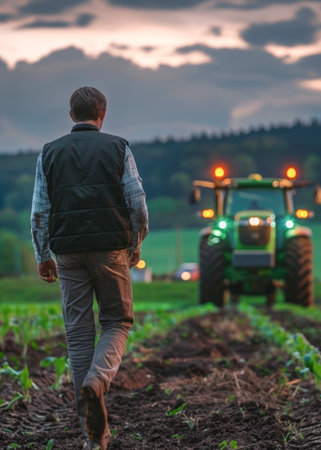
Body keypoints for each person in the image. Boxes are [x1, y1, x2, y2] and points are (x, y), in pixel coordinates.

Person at [30, 86, 148, 449]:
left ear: (71, 116)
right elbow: (136, 203)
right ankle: (97, 382)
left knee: (79, 335)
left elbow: (40, 212)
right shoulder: (118, 147)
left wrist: (42, 255)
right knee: (117, 321)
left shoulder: (48, 153)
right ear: (103, 113)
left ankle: (92, 439)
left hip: (66, 253)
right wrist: (135, 245)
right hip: (110, 249)